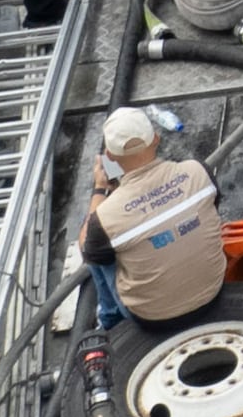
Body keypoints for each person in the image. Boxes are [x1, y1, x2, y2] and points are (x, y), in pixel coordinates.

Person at [82, 102, 229, 328]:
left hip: (153, 319)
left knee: (97, 249)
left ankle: (111, 320)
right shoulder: (198, 171)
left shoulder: (106, 216)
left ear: (110, 156)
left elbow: (87, 248)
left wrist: (101, 190)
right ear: (156, 139)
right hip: (213, 293)